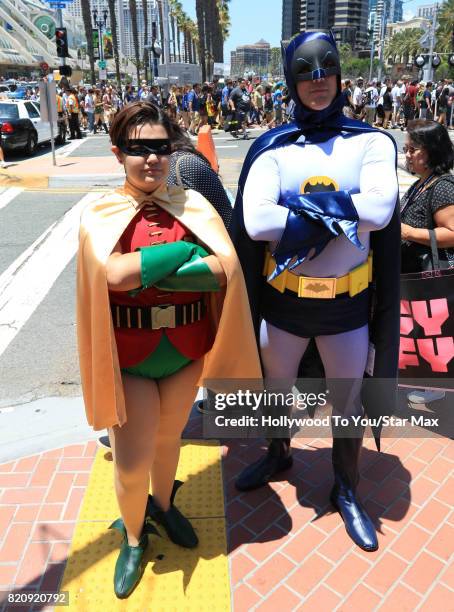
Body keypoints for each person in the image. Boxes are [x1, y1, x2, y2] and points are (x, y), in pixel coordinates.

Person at [77, 101, 260, 598]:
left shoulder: (192, 205)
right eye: (139, 149)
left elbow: (225, 269)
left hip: (185, 350)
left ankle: (163, 506)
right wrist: (185, 253)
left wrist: (148, 270)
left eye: (160, 147)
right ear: (119, 154)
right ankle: (134, 536)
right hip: (131, 355)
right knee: (132, 460)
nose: (152, 159)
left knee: (169, 440)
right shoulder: (102, 212)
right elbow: (112, 277)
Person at [230, 31, 400, 553]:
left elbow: (381, 210)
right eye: (305, 70)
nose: (318, 78)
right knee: (276, 390)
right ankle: (279, 452)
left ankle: (346, 487)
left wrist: (298, 212)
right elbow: (254, 221)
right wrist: (342, 208)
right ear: (291, 79)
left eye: (327, 67)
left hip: (347, 306)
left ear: (340, 74)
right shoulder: (273, 146)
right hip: (283, 303)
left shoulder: (371, 142)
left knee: (347, 401)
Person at [401, 120, 454, 404]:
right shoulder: (422, 183)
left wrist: (409, 233)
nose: (407, 154)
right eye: (406, 148)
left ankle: (436, 386)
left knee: (432, 329)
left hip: (430, 273)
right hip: (414, 273)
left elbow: (452, 234)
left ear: (431, 151)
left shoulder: (442, 186)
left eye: (413, 149)